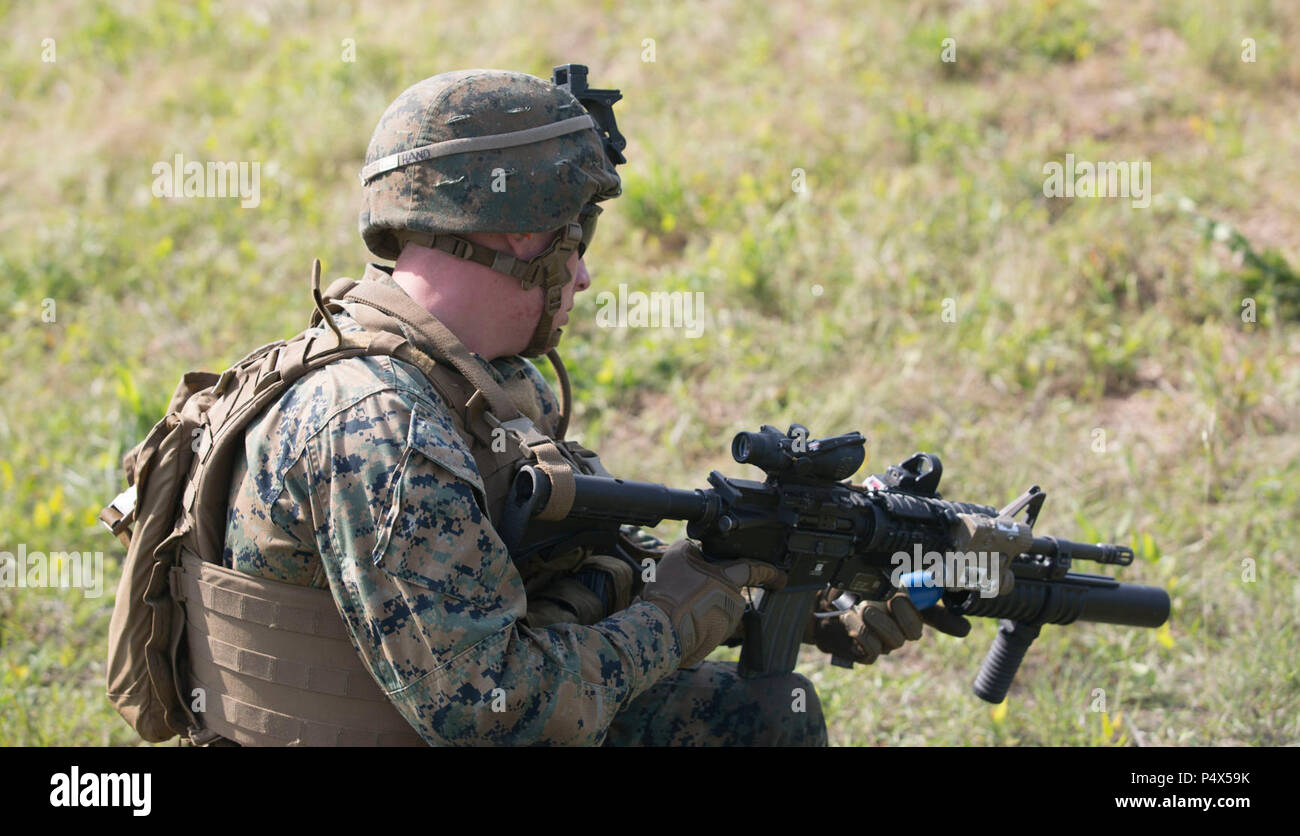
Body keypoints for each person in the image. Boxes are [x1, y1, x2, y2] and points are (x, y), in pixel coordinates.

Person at [204, 66, 931, 746]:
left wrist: (781, 596)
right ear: (520, 234)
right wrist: (670, 623)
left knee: (761, 712)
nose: (581, 274)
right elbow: (494, 710)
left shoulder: (473, 377)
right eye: (571, 236)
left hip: (410, 711)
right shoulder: (382, 430)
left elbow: (561, 577)